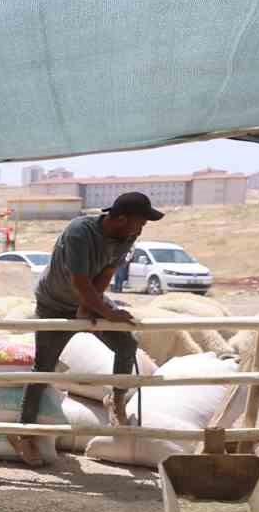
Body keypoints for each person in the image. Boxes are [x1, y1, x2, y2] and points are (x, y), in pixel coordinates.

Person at [9, 192, 163, 467]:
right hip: (55, 303)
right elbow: (79, 281)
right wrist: (109, 313)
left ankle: (115, 400)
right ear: (122, 218)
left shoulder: (127, 236)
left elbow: (105, 274)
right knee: (44, 369)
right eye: (140, 222)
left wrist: (94, 309)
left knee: (126, 344)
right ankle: (23, 433)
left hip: (90, 297)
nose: (141, 229)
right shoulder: (79, 231)